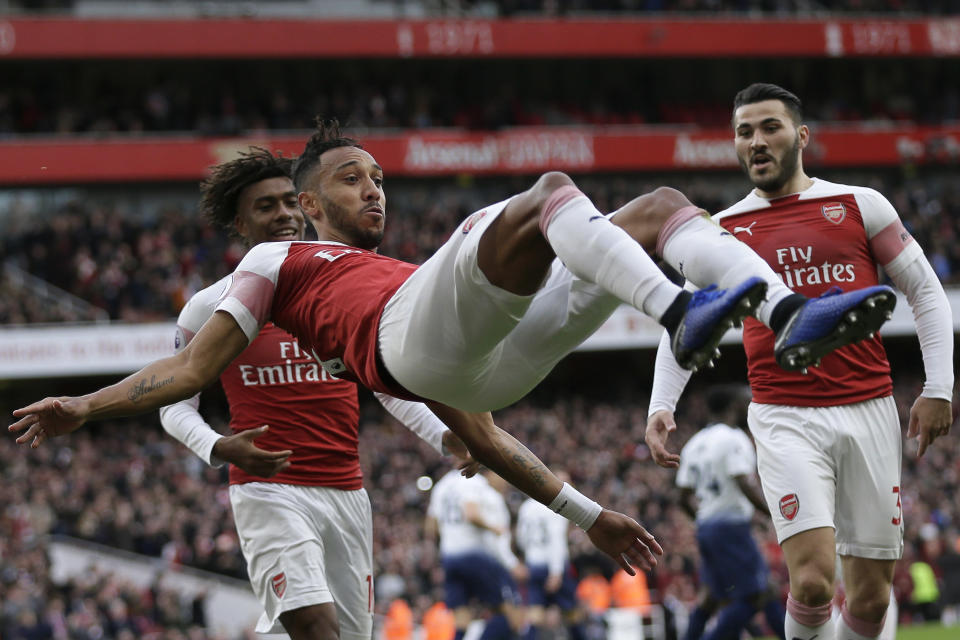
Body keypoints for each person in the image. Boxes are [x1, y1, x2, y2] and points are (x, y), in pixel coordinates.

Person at [12, 117, 896, 575]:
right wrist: (85, 406)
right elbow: (194, 369)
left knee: (661, 205)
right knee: (546, 191)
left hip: (483, 366)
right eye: (353, 178)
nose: (375, 190)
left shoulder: (395, 275)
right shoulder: (277, 257)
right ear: (308, 203)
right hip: (407, 355)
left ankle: (786, 320)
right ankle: (678, 312)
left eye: (381, 178)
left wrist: (589, 517)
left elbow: (483, 435)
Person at [645, 83, 954, 640]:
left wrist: (939, 388)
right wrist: (661, 403)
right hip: (783, 414)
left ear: (801, 136)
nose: (756, 141)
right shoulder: (722, 231)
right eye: (744, 132)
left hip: (869, 412)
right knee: (811, 583)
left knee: (869, 596)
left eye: (770, 127)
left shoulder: (860, 204)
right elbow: (687, 319)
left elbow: (927, 293)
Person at [157, 148, 476, 640]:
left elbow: (385, 381)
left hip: (346, 491)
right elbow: (174, 403)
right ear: (240, 223)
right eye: (265, 207)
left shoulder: (342, 288)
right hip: (268, 490)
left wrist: (444, 435)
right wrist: (217, 446)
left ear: (308, 205)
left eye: (289, 202)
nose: (283, 214)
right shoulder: (208, 306)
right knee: (314, 626)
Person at [675, 384, 785, 640]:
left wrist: (704, 521)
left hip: (707, 527)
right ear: (734, 407)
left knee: (711, 598)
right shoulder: (734, 438)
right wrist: (772, 514)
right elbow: (741, 479)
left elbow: (681, 497)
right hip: (730, 527)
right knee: (757, 594)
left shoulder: (694, 443)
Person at [425, 468, 524, 640]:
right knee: (506, 613)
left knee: (461, 619)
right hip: (477, 556)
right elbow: (471, 514)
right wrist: (495, 528)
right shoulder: (477, 484)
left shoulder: (442, 485)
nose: (506, 482)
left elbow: (430, 528)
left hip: (449, 557)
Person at [515, 471, 587, 640]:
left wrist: (531, 555)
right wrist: (556, 572)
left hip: (534, 564)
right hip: (555, 566)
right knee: (573, 614)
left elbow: (520, 539)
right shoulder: (557, 506)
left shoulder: (527, 506)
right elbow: (556, 540)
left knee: (535, 615)